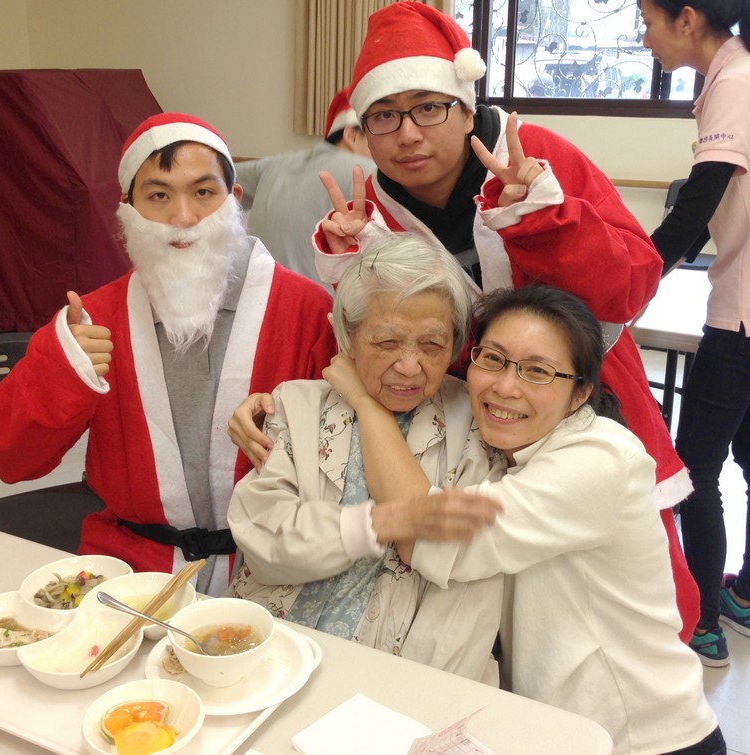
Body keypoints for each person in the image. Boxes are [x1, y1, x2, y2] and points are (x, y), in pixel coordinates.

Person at [233, 1, 700, 641]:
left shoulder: (532, 154)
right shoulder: (373, 207)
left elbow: (633, 286)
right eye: (384, 117)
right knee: (503, 616)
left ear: (463, 101)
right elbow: (373, 345)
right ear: (362, 131)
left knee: (618, 609)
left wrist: (541, 218)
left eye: (429, 106)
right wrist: (279, 403)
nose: (409, 133)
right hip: (467, 434)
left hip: (573, 403)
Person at [331, 284, 723, 755]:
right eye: (492, 359)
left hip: (644, 739)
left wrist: (364, 400)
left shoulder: (598, 459)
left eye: (537, 371)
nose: (505, 386)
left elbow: (422, 535)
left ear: (581, 394)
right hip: (558, 730)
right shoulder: (515, 445)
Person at [0, 112, 337, 596]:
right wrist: (58, 370)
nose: (182, 218)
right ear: (128, 208)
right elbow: (10, 460)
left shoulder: (308, 310)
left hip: (275, 571)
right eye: (159, 196)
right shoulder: (93, 320)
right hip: (130, 569)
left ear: (235, 200)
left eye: (203, 193)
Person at [227, 233, 503, 682]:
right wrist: (378, 524)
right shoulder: (295, 406)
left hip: (395, 680)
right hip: (266, 654)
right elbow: (264, 540)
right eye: (388, 342)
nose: (410, 366)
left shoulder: (477, 426)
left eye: (432, 345)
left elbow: (461, 586)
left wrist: (407, 696)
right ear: (349, 336)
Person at [640, 0, 750, 666]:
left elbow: (690, 217)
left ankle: (703, 619)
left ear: (687, 19)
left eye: (648, 20)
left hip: (739, 316)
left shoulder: (733, 84)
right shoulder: (735, 75)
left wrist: (626, 276)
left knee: (697, 468)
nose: (644, 37)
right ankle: (741, 596)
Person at [235, 87, 376, 290]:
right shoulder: (367, 172)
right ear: (352, 136)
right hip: (319, 311)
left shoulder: (274, 165)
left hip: (254, 302)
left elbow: (221, 180)